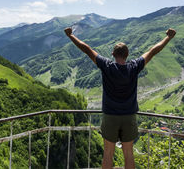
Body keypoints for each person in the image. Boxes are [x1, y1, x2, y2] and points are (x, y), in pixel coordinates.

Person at [64, 27, 176, 169]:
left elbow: (86, 49)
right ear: (127, 55)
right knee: (128, 154)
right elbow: (153, 51)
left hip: (110, 116)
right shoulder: (134, 66)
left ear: (112, 54)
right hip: (129, 116)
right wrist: (168, 38)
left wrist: (71, 35)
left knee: (108, 153)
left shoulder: (107, 65)